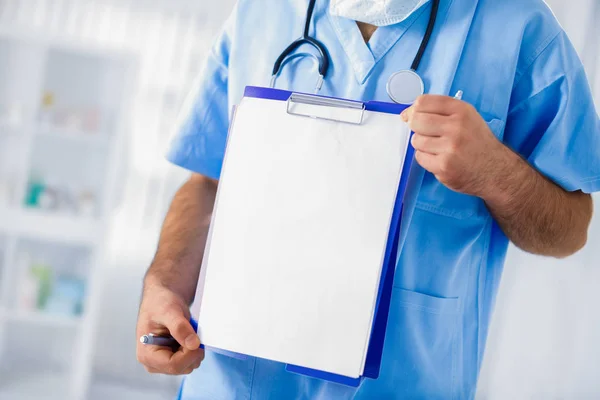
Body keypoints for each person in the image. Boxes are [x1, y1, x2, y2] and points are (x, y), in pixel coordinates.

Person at [136, 0, 600, 398]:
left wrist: (494, 172)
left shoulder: (518, 27)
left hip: (408, 383)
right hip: (235, 381)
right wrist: (164, 288)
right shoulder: (264, 10)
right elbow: (210, 181)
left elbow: (570, 227)